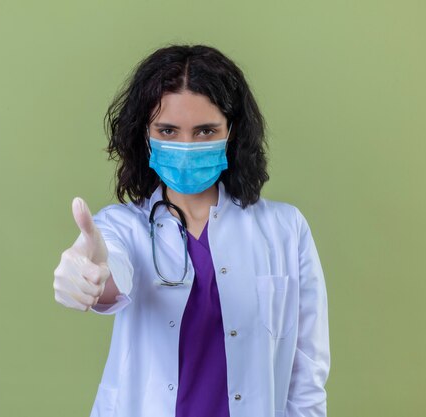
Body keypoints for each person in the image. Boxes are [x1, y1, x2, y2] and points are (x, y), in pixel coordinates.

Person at [53, 44, 330, 417]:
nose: (185, 146)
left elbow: (307, 370)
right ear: (144, 135)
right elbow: (110, 273)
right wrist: (87, 275)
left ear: (232, 133)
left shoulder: (285, 229)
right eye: (167, 130)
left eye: (204, 131)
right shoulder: (122, 226)